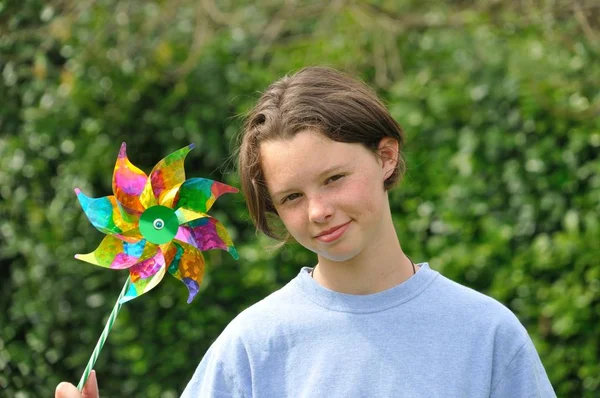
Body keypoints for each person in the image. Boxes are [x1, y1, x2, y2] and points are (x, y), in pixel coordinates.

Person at [56, 67, 556, 397]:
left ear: (385, 156)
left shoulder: (487, 335)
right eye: (291, 197)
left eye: (334, 179)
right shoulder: (251, 347)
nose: (318, 210)